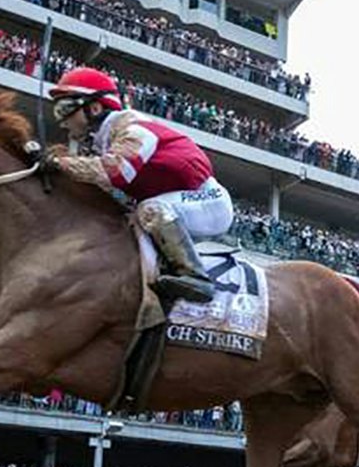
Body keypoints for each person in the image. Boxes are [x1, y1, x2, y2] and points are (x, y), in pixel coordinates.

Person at [45, 66, 234, 304]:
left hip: (208, 201)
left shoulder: (134, 128)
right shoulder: (101, 143)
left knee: (151, 209)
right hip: (176, 199)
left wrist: (58, 164)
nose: (61, 121)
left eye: (64, 109)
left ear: (94, 107)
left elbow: (113, 171)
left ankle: (196, 278)